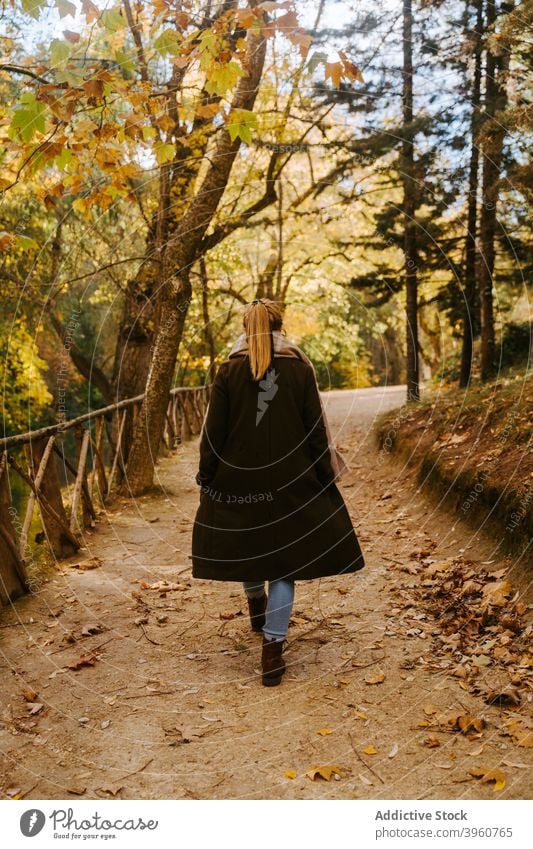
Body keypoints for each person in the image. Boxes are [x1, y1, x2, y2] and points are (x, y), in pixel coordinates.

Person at [191, 298, 364, 686]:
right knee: (284, 564)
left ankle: (256, 605)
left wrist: (208, 475)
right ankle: (272, 652)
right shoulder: (300, 369)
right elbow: (314, 428)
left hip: (238, 481)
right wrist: (325, 474)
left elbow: (212, 433)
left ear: (245, 327)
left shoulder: (228, 370)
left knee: (248, 546)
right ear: (280, 327)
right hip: (291, 481)